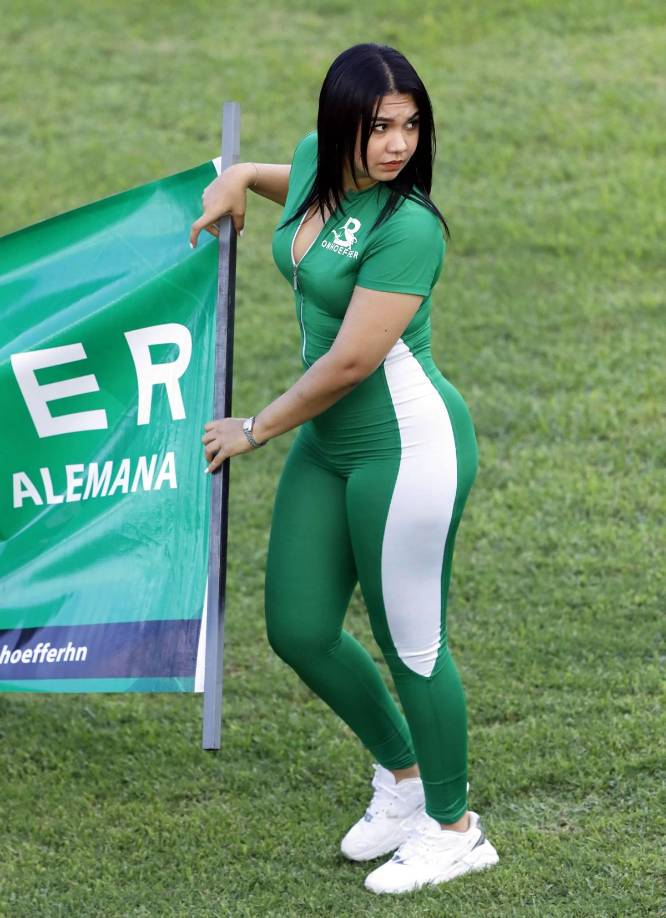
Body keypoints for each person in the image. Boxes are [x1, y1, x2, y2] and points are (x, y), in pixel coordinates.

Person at [190, 42, 498, 895]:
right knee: (298, 627)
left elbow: (351, 363)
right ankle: (401, 781)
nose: (399, 144)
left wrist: (255, 427)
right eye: (379, 127)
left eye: (410, 126)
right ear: (341, 128)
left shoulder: (411, 226)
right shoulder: (319, 163)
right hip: (332, 450)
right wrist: (238, 179)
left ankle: (455, 829)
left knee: (415, 647)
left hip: (409, 451)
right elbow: (297, 188)